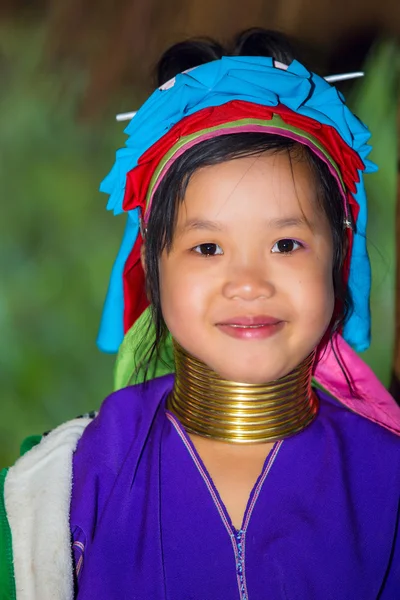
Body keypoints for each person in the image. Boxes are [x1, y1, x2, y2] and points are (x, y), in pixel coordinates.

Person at [1, 28, 400, 600]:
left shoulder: (386, 480)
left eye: (286, 244)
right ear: (153, 269)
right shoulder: (64, 484)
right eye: (207, 248)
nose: (248, 283)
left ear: (338, 258)